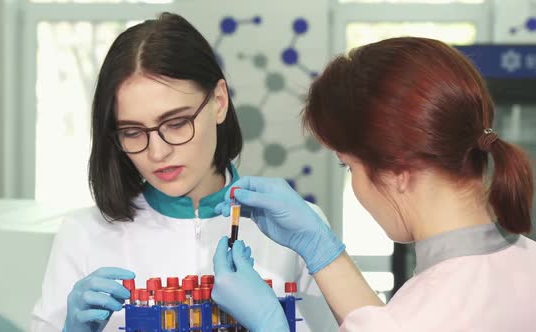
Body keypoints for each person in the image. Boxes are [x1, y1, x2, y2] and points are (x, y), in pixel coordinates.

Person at [31, 12, 336, 332]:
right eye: (133, 132)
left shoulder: (296, 229)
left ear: (219, 101)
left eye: (176, 124)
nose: (157, 153)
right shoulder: (82, 235)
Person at [211, 37, 536, 332]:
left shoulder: (426, 314)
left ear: (399, 171)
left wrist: (271, 325)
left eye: (348, 166)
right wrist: (319, 249)